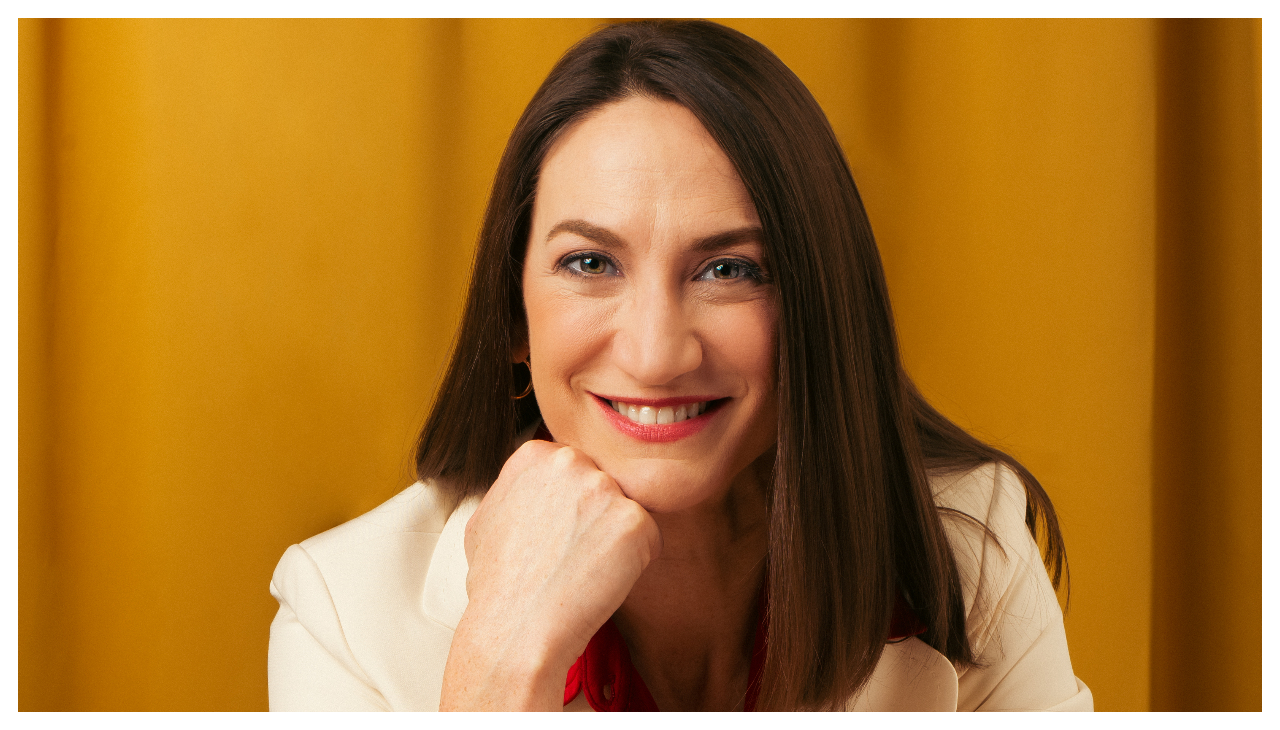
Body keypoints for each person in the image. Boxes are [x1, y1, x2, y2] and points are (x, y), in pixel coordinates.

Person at [267, 20, 1092, 711]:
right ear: (513, 318)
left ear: (816, 309)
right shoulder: (343, 614)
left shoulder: (971, 550)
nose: (657, 354)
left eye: (729, 269)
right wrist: (504, 656)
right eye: (590, 264)